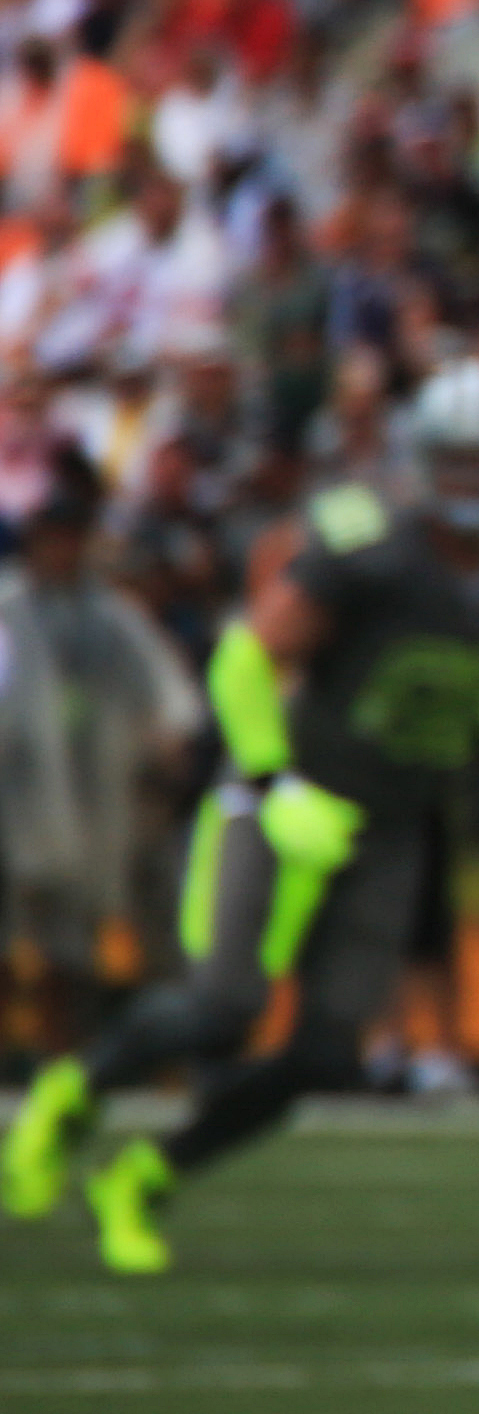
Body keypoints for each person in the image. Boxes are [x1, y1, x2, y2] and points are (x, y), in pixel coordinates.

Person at [8, 365, 479, 1271]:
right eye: (456, 464)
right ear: (423, 462)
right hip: (282, 800)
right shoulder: (369, 546)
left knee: (327, 1051)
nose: (473, 485)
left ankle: (149, 1174)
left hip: (389, 820)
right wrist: (277, 783)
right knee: (222, 1008)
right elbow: (244, 657)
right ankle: (75, 1089)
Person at [0, 446, 193, 1053]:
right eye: (52, 538)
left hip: (89, 802)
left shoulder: (109, 616)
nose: (63, 550)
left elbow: (170, 698)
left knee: (72, 947)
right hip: (14, 798)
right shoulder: (9, 612)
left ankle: (63, 1057)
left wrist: (164, 741)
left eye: (72, 537)